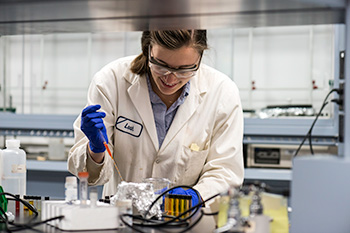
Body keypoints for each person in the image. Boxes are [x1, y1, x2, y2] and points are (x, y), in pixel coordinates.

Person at [68, 30, 244, 207]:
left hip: (186, 219)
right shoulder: (111, 80)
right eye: (161, 65)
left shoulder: (222, 92)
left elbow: (226, 170)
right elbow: (89, 176)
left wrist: (197, 195)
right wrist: (96, 150)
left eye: (184, 70)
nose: (170, 78)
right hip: (123, 217)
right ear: (147, 50)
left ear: (199, 59)